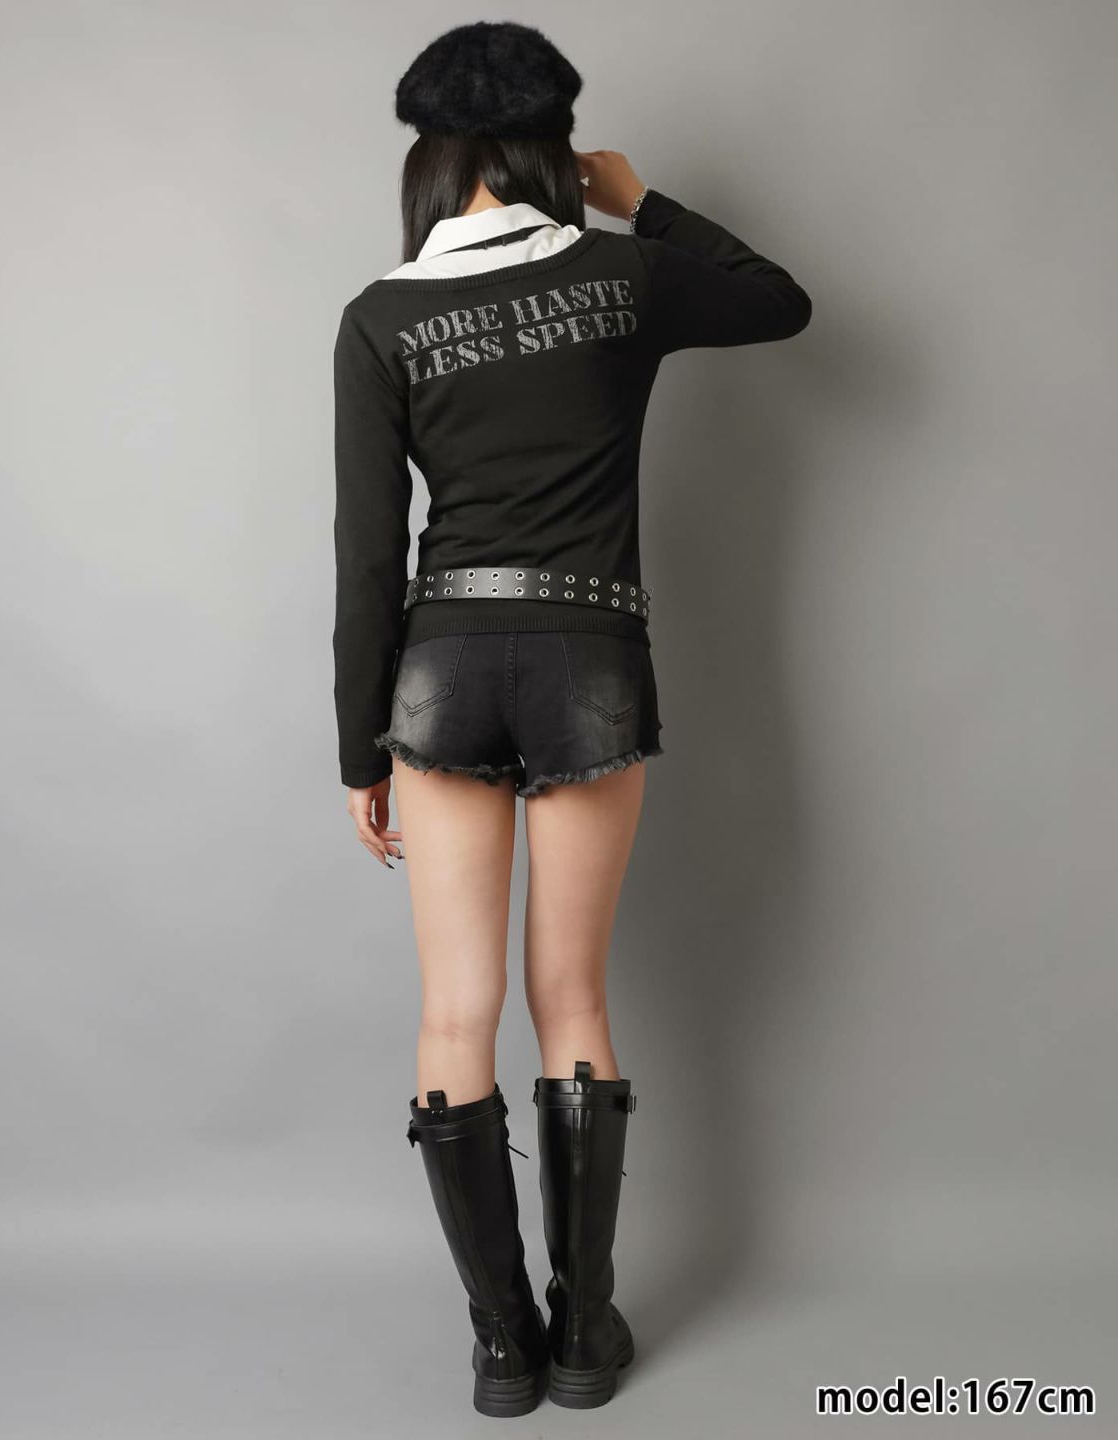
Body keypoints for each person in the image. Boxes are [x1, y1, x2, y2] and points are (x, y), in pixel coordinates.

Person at [331, 20, 811, 1417]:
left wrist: (360, 751)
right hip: (591, 654)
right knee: (574, 999)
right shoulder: (621, 273)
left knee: (454, 1009)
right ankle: (586, 1334)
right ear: (552, 149)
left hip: (440, 667)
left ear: (432, 161)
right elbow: (778, 302)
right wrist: (638, 199)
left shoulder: (382, 315)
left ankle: (502, 1349)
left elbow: (366, 558)